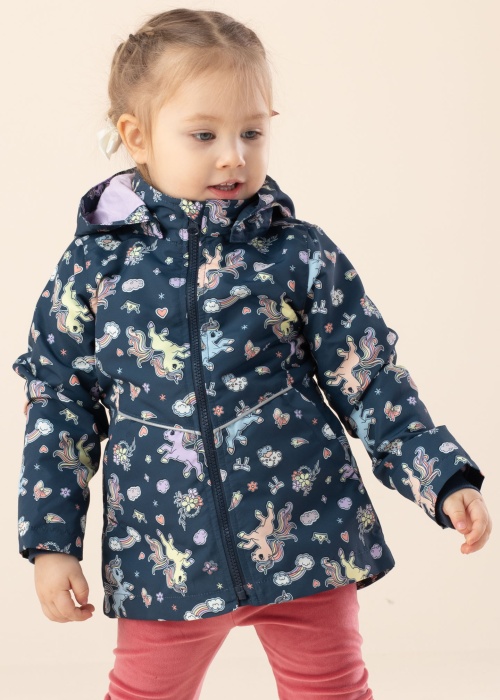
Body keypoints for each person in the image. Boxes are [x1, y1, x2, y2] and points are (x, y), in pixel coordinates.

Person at [14, 8, 491, 700]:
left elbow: (367, 377)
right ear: (136, 136)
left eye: (253, 132)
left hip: (306, 535)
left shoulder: (299, 254)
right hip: (164, 550)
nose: (233, 155)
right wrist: (51, 541)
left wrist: (441, 476)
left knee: (330, 689)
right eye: (204, 134)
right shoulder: (93, 269)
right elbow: (60, 406)